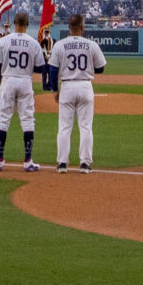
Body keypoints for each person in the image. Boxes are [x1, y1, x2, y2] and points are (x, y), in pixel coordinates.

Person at [48, 13, 107, 173]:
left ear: (69, 27)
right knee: (86, 127)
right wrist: (88, 68)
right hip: (85, 86)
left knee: (64, 128)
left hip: (67, 86)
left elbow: (52, 70)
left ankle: (62, 164)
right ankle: (85, 164)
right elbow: (101, 68)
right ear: (82, 27)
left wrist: (55, 90)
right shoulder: (91, 44)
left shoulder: (60, 45)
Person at [0, 12, 46, 172]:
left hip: (8, 80)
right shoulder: (33, 43)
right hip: (25, 80)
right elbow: (40, 67)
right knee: (28, 119)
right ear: (28, 24)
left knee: (3, 119)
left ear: (14, 23)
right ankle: (28, 161)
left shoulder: (3, 41)